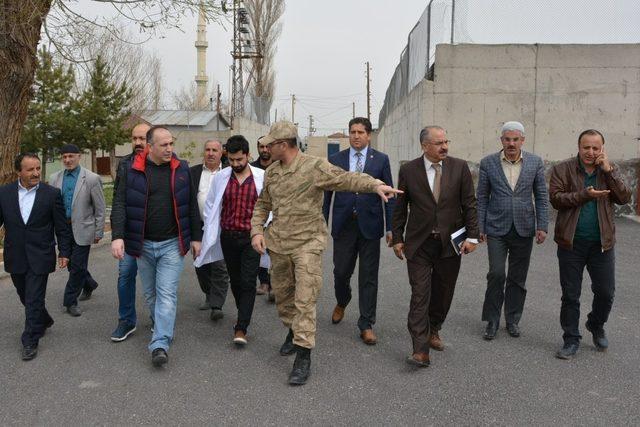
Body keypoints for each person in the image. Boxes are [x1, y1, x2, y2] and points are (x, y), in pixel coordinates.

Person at [250, 120, 401, 385]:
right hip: (279, 244)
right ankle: (292, 330)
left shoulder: (314, 166)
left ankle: (303, 356)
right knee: (285, 300)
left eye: (270, 144)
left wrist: (374, 185)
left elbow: (345, 178)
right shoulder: (272, 172)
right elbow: (263, 205)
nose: (266, 148)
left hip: (308, 243)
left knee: (305, 299)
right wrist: (256, 231)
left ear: (283, 145)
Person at [110, 125, 202, 367]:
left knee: (167, 295)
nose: (170, 149)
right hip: (142, 246)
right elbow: (119, 203)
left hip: (172, 244)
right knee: (151, 294)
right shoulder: (131, 170)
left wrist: (196, 237)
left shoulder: (181, 168)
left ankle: (159, 343)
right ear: (150, 147)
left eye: (172, 143)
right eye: (164, 145)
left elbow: (191, 205)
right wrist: (117, 236)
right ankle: (160, 323)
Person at [391, 125, 479, 368]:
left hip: (450, 244)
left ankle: (434, 328)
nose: (445, 147)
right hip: (419, 244)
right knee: (420, 295)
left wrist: (473, 237)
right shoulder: (408, 170)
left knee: (443, 292)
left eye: (446, 141)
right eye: (439, 143)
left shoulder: (459, 167)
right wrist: (397, 237)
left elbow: (469, 204)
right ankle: (420, 350)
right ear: (424, 146)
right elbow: (400, 207)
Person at [549, 129, 631, 360]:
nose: (591, 152)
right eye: (586, 147)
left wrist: (610, 171)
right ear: (579, 147)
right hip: (571, 243)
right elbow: (556, 199)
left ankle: (595, 324)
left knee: (605, 292)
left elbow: (625, 198)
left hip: (602, 244)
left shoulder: (608, 171)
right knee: (571, 294)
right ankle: (571, 339)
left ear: (602, 149)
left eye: (596, 148)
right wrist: (585, 194)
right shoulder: (562, 169)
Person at [322, 117, 395, 345]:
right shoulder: (336, 159)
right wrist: (321, 223)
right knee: (341, 272)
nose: (356, 136)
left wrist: (391, 226)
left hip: (370, 226)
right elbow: (326, 194)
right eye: (352, 132)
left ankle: (366, 323)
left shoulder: (381, 160)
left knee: (368, 277)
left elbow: (389, 195)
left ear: (369, 135)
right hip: (344, 226)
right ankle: (342, 300)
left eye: (360, 132)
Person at [476, 121, 548, 340]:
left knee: (518, 277)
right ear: (502, 141)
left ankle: (513, 319)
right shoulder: (488, 163)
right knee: (496, 273)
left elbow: (542, 196)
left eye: (515, 139)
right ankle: (492, 319)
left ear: (522, 140)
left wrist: (542, 226)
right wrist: (480, 226)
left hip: (524, 227)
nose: (511, 143)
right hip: (496, 227)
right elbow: (482, 198)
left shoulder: (535, 163)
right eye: (507, 139)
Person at [196, 135, 268, 345]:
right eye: (232, 160)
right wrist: (209, 229)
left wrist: (263, 231)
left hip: (251, 238)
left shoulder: (261, 177)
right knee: (236, 281)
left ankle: (241, 327)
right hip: (228, 237)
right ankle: (242, 312)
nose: (235, 164)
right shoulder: (222, 177)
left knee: (247, 281)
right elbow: (211, 205)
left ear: (247, 155)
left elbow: (269, 207)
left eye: (240, 160)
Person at [0, 153, 71, 360]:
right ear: (18, 171)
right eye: (30, 169)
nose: (36, 173)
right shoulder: (4, 193)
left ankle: (30, 339)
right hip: (16, 255)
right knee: (24, 295)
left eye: (38, 168)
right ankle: (44, 319)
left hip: (41, 254)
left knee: (33, 298)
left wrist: (64, 252)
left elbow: (61, 227)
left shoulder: (51, 194)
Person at [49, 144, 105, 317]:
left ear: (79, 156)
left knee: (77, 265)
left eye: (71, 156)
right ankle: (89, 284)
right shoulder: (54, 178)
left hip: (83, 228)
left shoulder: (91, 178)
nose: (67, 160)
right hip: (62, 229)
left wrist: (98, 231)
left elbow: (100, 208)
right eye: (64, 157)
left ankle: (70, 302)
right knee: (72, 264)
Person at [110, 122, 150, 342]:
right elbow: (118, 201)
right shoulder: (124, 164)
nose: (137, 143)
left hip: (154, 236)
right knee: (125, 276)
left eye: (142, 139)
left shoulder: (164, 163)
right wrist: (117, 235)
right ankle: (126, 320)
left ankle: (158, 318)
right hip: (129, 235)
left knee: (154, 281)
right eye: (134, 138)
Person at [190, 139, 230, 319]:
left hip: (222, 227)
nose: (211, 153)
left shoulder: (229, 172)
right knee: (201, 264)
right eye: (207, 149)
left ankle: (217, 305)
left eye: (215, 150)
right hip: (200, 228)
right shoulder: (194, 173)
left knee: (220, 266)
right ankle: (208, 293)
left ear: (222, 153)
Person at [250, 136, 274, 300]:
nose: (264, 150)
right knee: (259, 248)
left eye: (267, 147)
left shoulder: (279, 166)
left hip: (278, 214)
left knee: (275, 250)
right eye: (261, 147)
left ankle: (275, 285)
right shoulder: (251, 168)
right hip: (258, 212)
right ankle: (264, 282)